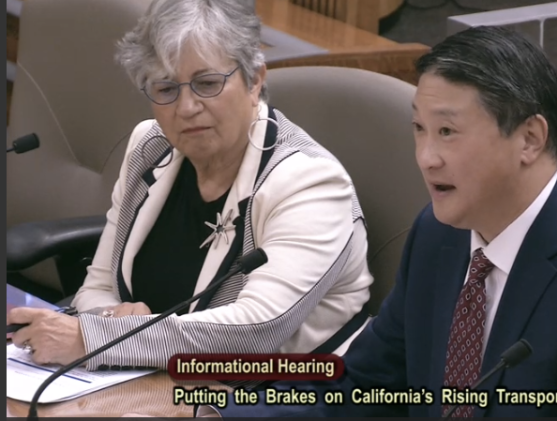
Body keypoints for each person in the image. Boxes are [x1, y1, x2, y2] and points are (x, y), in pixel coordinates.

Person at [129, 26, 557, 418]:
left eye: (447, 132)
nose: (426, 157)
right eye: (419, 130)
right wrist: (213, 411)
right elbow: (363, 387)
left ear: (530, 139)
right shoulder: (440, 238)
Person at [7, 0, 373, 371]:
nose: (185, 107)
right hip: (146, 384)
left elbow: (257, 331)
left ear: (255, 80)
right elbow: (98, 286)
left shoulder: (310, 183)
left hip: (274, 397)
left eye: (207, 84)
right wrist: (113, 318)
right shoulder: (150, 146)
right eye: (165, 89)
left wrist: (97, 339)